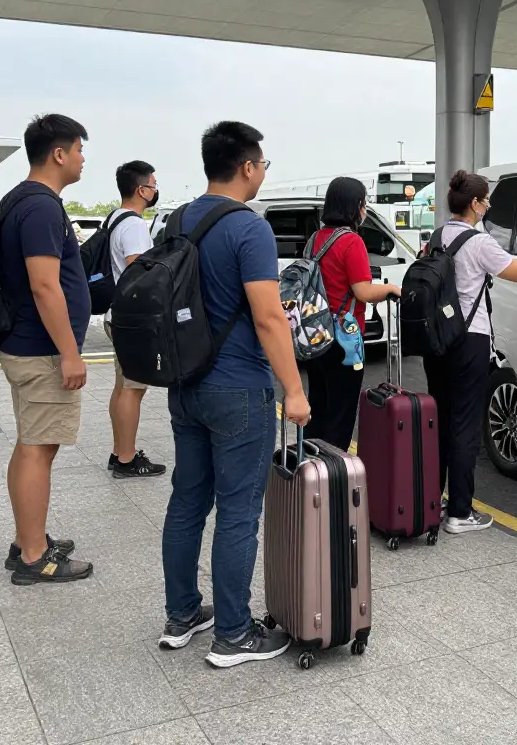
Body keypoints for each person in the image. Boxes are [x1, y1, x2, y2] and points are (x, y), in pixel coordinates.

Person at [159, 121, 311, 669]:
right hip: (239, 390)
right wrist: (292, 390)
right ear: (247, 167)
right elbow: (270, 317)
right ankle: (234, 634)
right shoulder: (250, 228)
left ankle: (182, 615)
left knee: (187, 501)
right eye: (263, 164)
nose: (263, 173)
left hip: (185, 385)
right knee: (239, 511)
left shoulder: (178, 219)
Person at [427, 170, 517, 534]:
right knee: (465, 426)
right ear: (474, 204)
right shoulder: (479, 242)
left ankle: (436, 502)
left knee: (442, 421)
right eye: (486, 200)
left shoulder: (439, 235)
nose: (488, 205)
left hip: (438, 339)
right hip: (468, 340)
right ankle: (460, 512)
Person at [0, 114, 94, 585]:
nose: (82, 159)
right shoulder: (40, 207)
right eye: (79, 150)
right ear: (59, 154)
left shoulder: (20, 198)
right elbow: (44, 285)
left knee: (31, 444)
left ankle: (26, 537)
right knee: (39, 447)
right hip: (41, 351)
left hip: (27, 345)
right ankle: (34, 556)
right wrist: (70, 353)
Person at [303, 176, 400, 451]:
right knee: (341, 414)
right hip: (343, 340)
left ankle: (310, 474)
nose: (365, 209)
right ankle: (332, 478)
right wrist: (391, 288)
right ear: (356, 206)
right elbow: (364, 292)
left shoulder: (314, 239)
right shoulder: (351, 241)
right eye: (364, 203)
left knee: (319, 406)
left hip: (316, 334)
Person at [103, 161, 166, 479]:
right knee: (133, 389)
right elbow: (138, 273)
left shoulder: (115, 218)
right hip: (133, 321)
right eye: (153, 185)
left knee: (122, 387)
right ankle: (127, 460)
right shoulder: (136, 226)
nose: (156, 190)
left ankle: (119, 451)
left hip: (117, 316)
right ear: (141, 189)